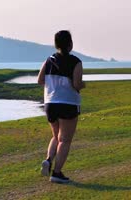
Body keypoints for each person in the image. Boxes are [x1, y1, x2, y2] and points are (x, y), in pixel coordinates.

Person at [37, 30, 85, 183]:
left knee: (55, 136)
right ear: (70, 44)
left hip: (50, 103)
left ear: (56, 44)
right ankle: (56, 173)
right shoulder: (76, 62)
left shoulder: (49, 60)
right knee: (65, 140)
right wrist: (83, 85)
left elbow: (40, 80)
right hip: (68, 103)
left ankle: (49, 160)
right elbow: (76, 84)